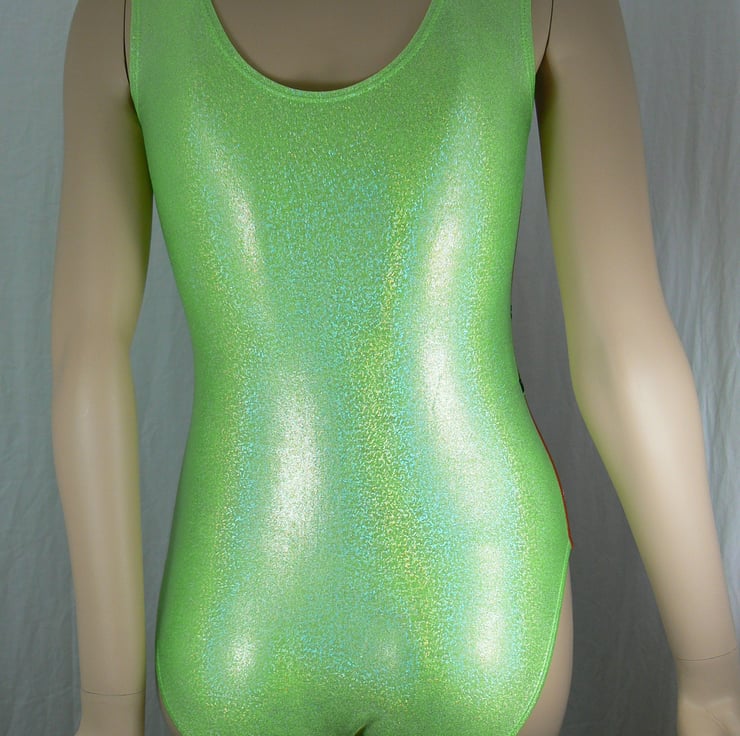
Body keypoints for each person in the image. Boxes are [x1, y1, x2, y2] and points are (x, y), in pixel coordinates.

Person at [51, 0, 740, 734]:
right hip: (480, 598)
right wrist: (712, 674)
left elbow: (86, 364)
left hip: (236, 606)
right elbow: (622, 346)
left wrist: (108, 704)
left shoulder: (121, 15)